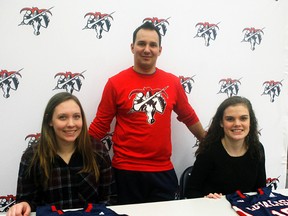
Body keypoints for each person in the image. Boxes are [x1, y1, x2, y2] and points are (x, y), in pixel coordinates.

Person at [88, 21, 206, 205]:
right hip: (125, 172)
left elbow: (188, 116)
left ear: (160, 50)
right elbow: (101, 125)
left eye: (152, 45)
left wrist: (209, 141)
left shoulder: (172, 83)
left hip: (162, 171)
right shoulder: (115, 83)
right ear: (132, 47)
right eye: (142, 43)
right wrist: (78, 149)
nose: (147, 49)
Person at [7, 92, 112, 216]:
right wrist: (23, 205)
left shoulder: (98, 150)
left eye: (76, 116)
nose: (71, 124)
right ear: (49, 121)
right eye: (62, 117)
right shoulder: (32, 157)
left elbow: (109, 198)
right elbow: (26, 203)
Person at [187, 96, 266, 199]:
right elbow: (191, 191)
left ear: (250, 121)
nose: (237, 124)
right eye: (230, 119)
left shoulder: (257, 149)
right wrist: (205, 198)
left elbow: (261, 190)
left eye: (243, 118)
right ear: (221, 122)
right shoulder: (209, 151)